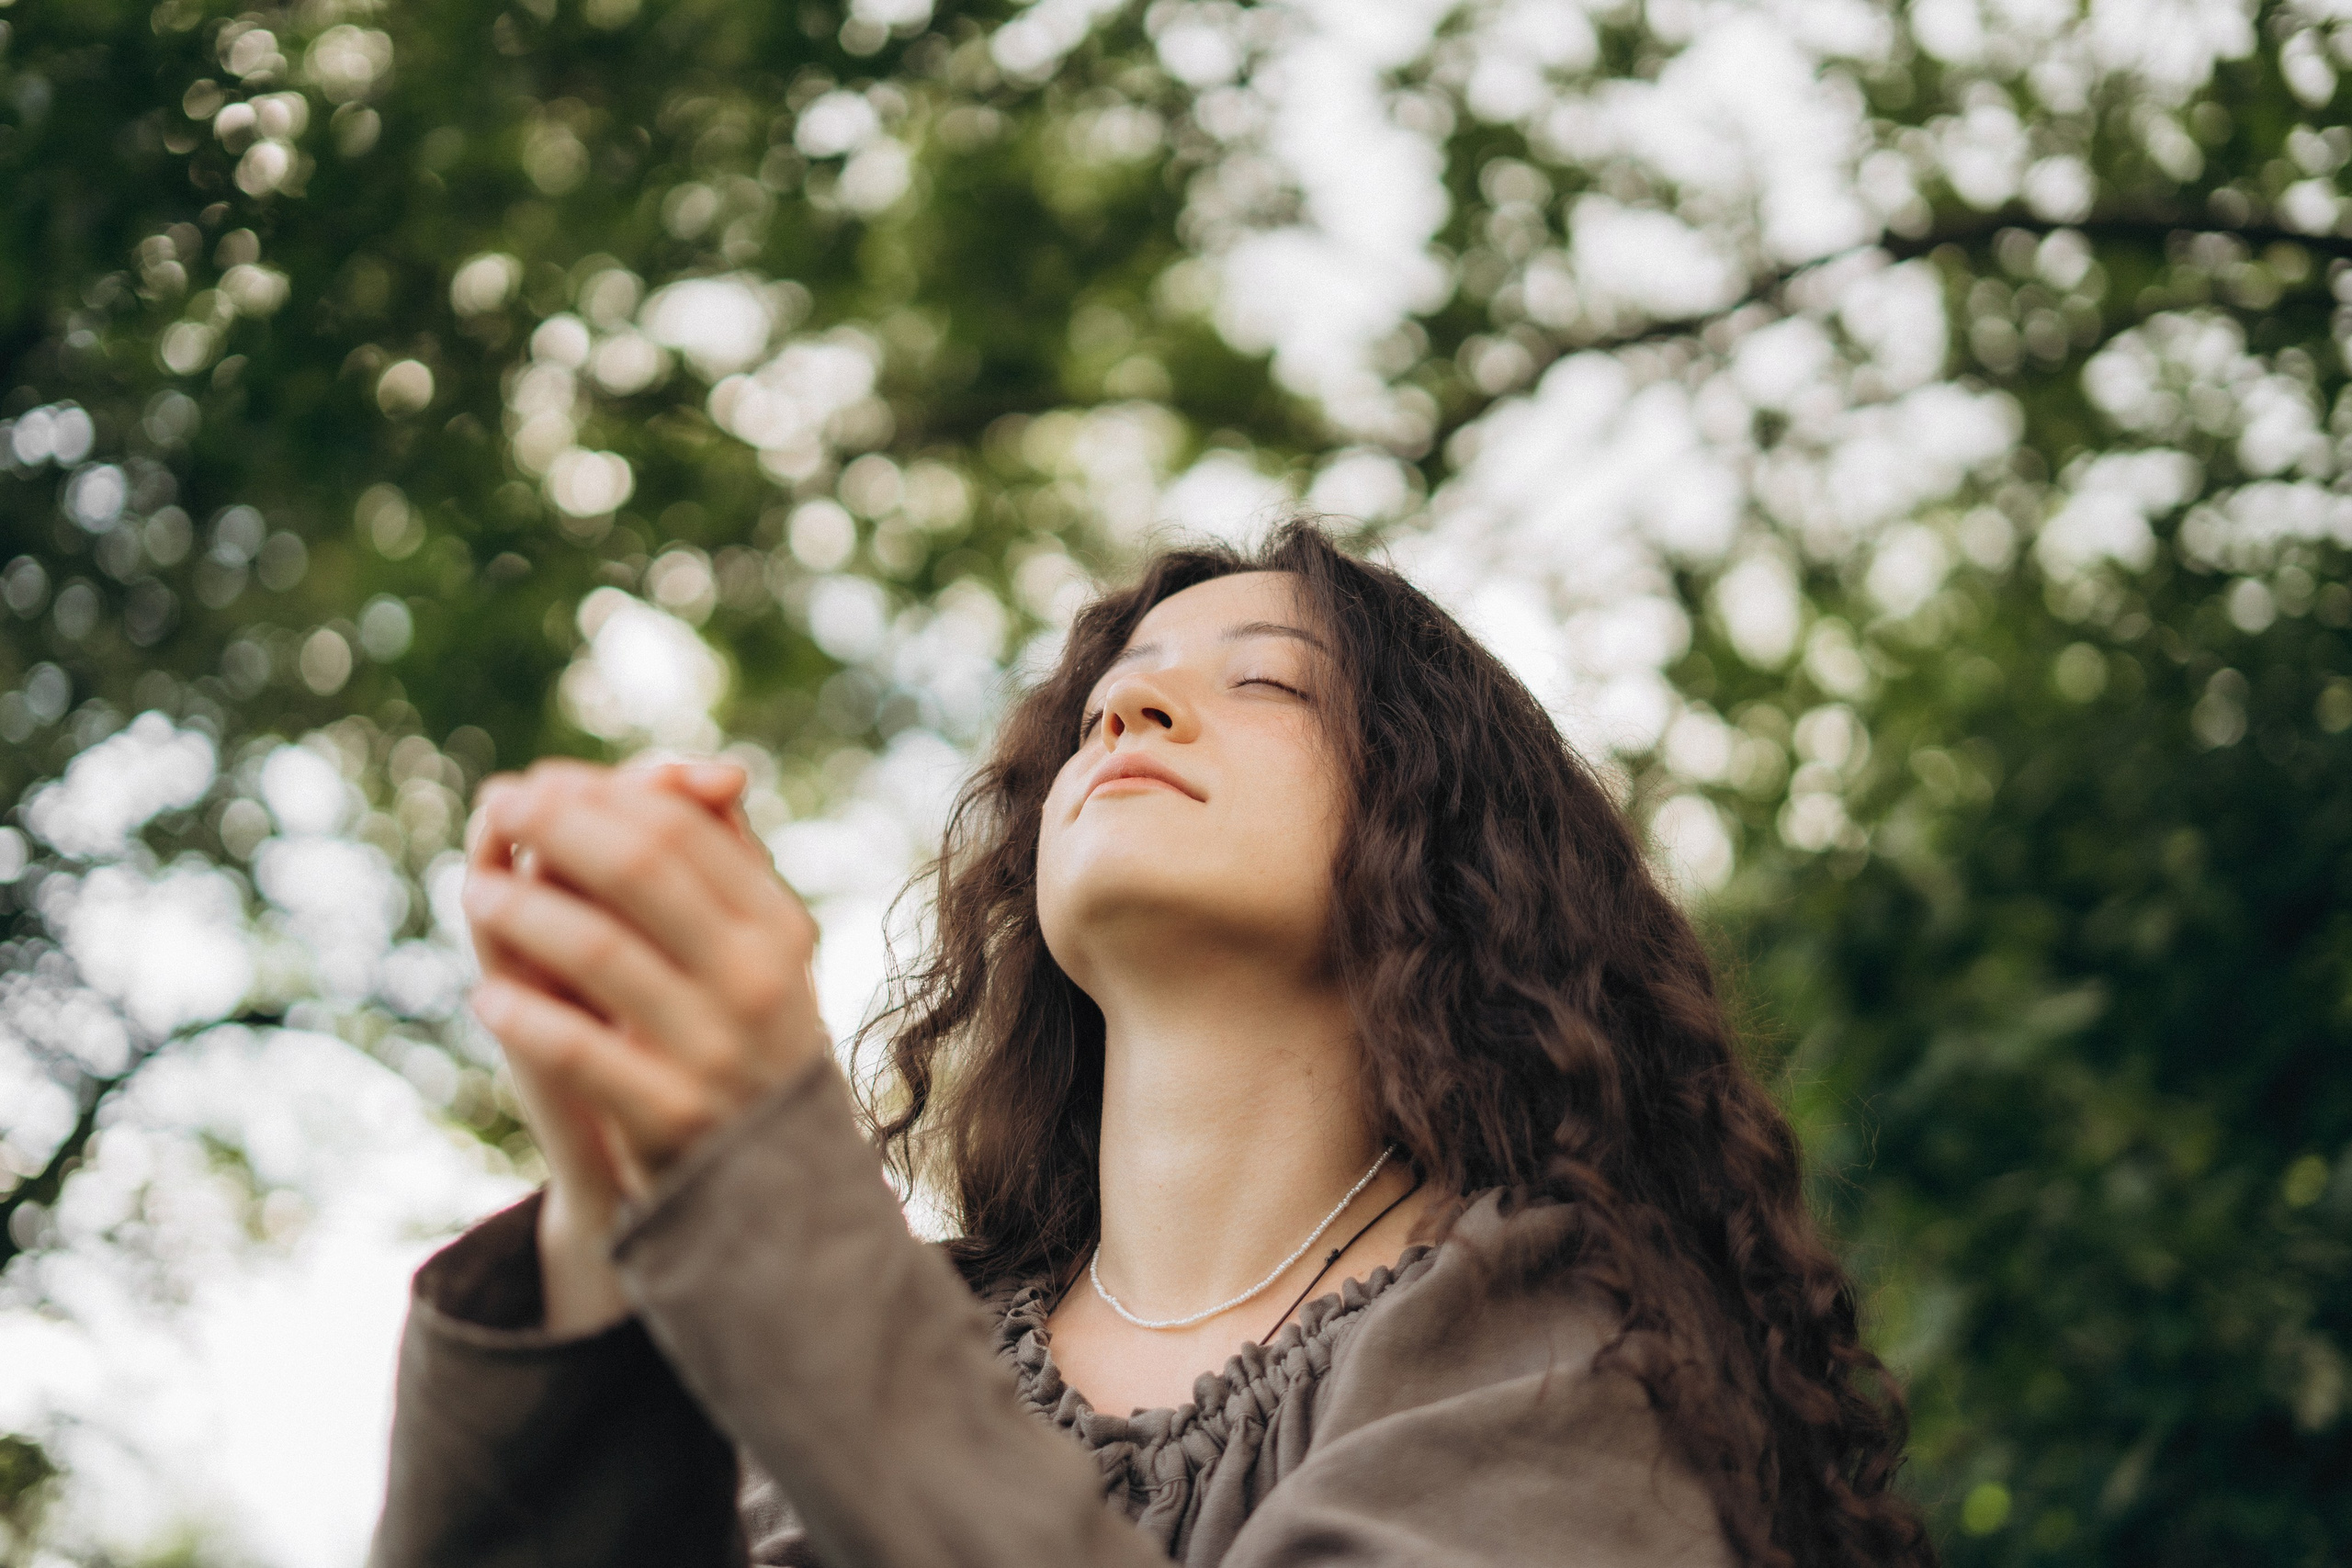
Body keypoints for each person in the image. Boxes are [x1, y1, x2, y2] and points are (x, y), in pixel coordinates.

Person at [368, 523, 1934, 1568]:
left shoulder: (1573, 1348)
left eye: (1266, 683)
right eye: (1104, 707)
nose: (1130, 719)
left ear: (1451, 840)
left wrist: (767, 1201)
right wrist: (612, 1219)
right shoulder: (875, 1334)